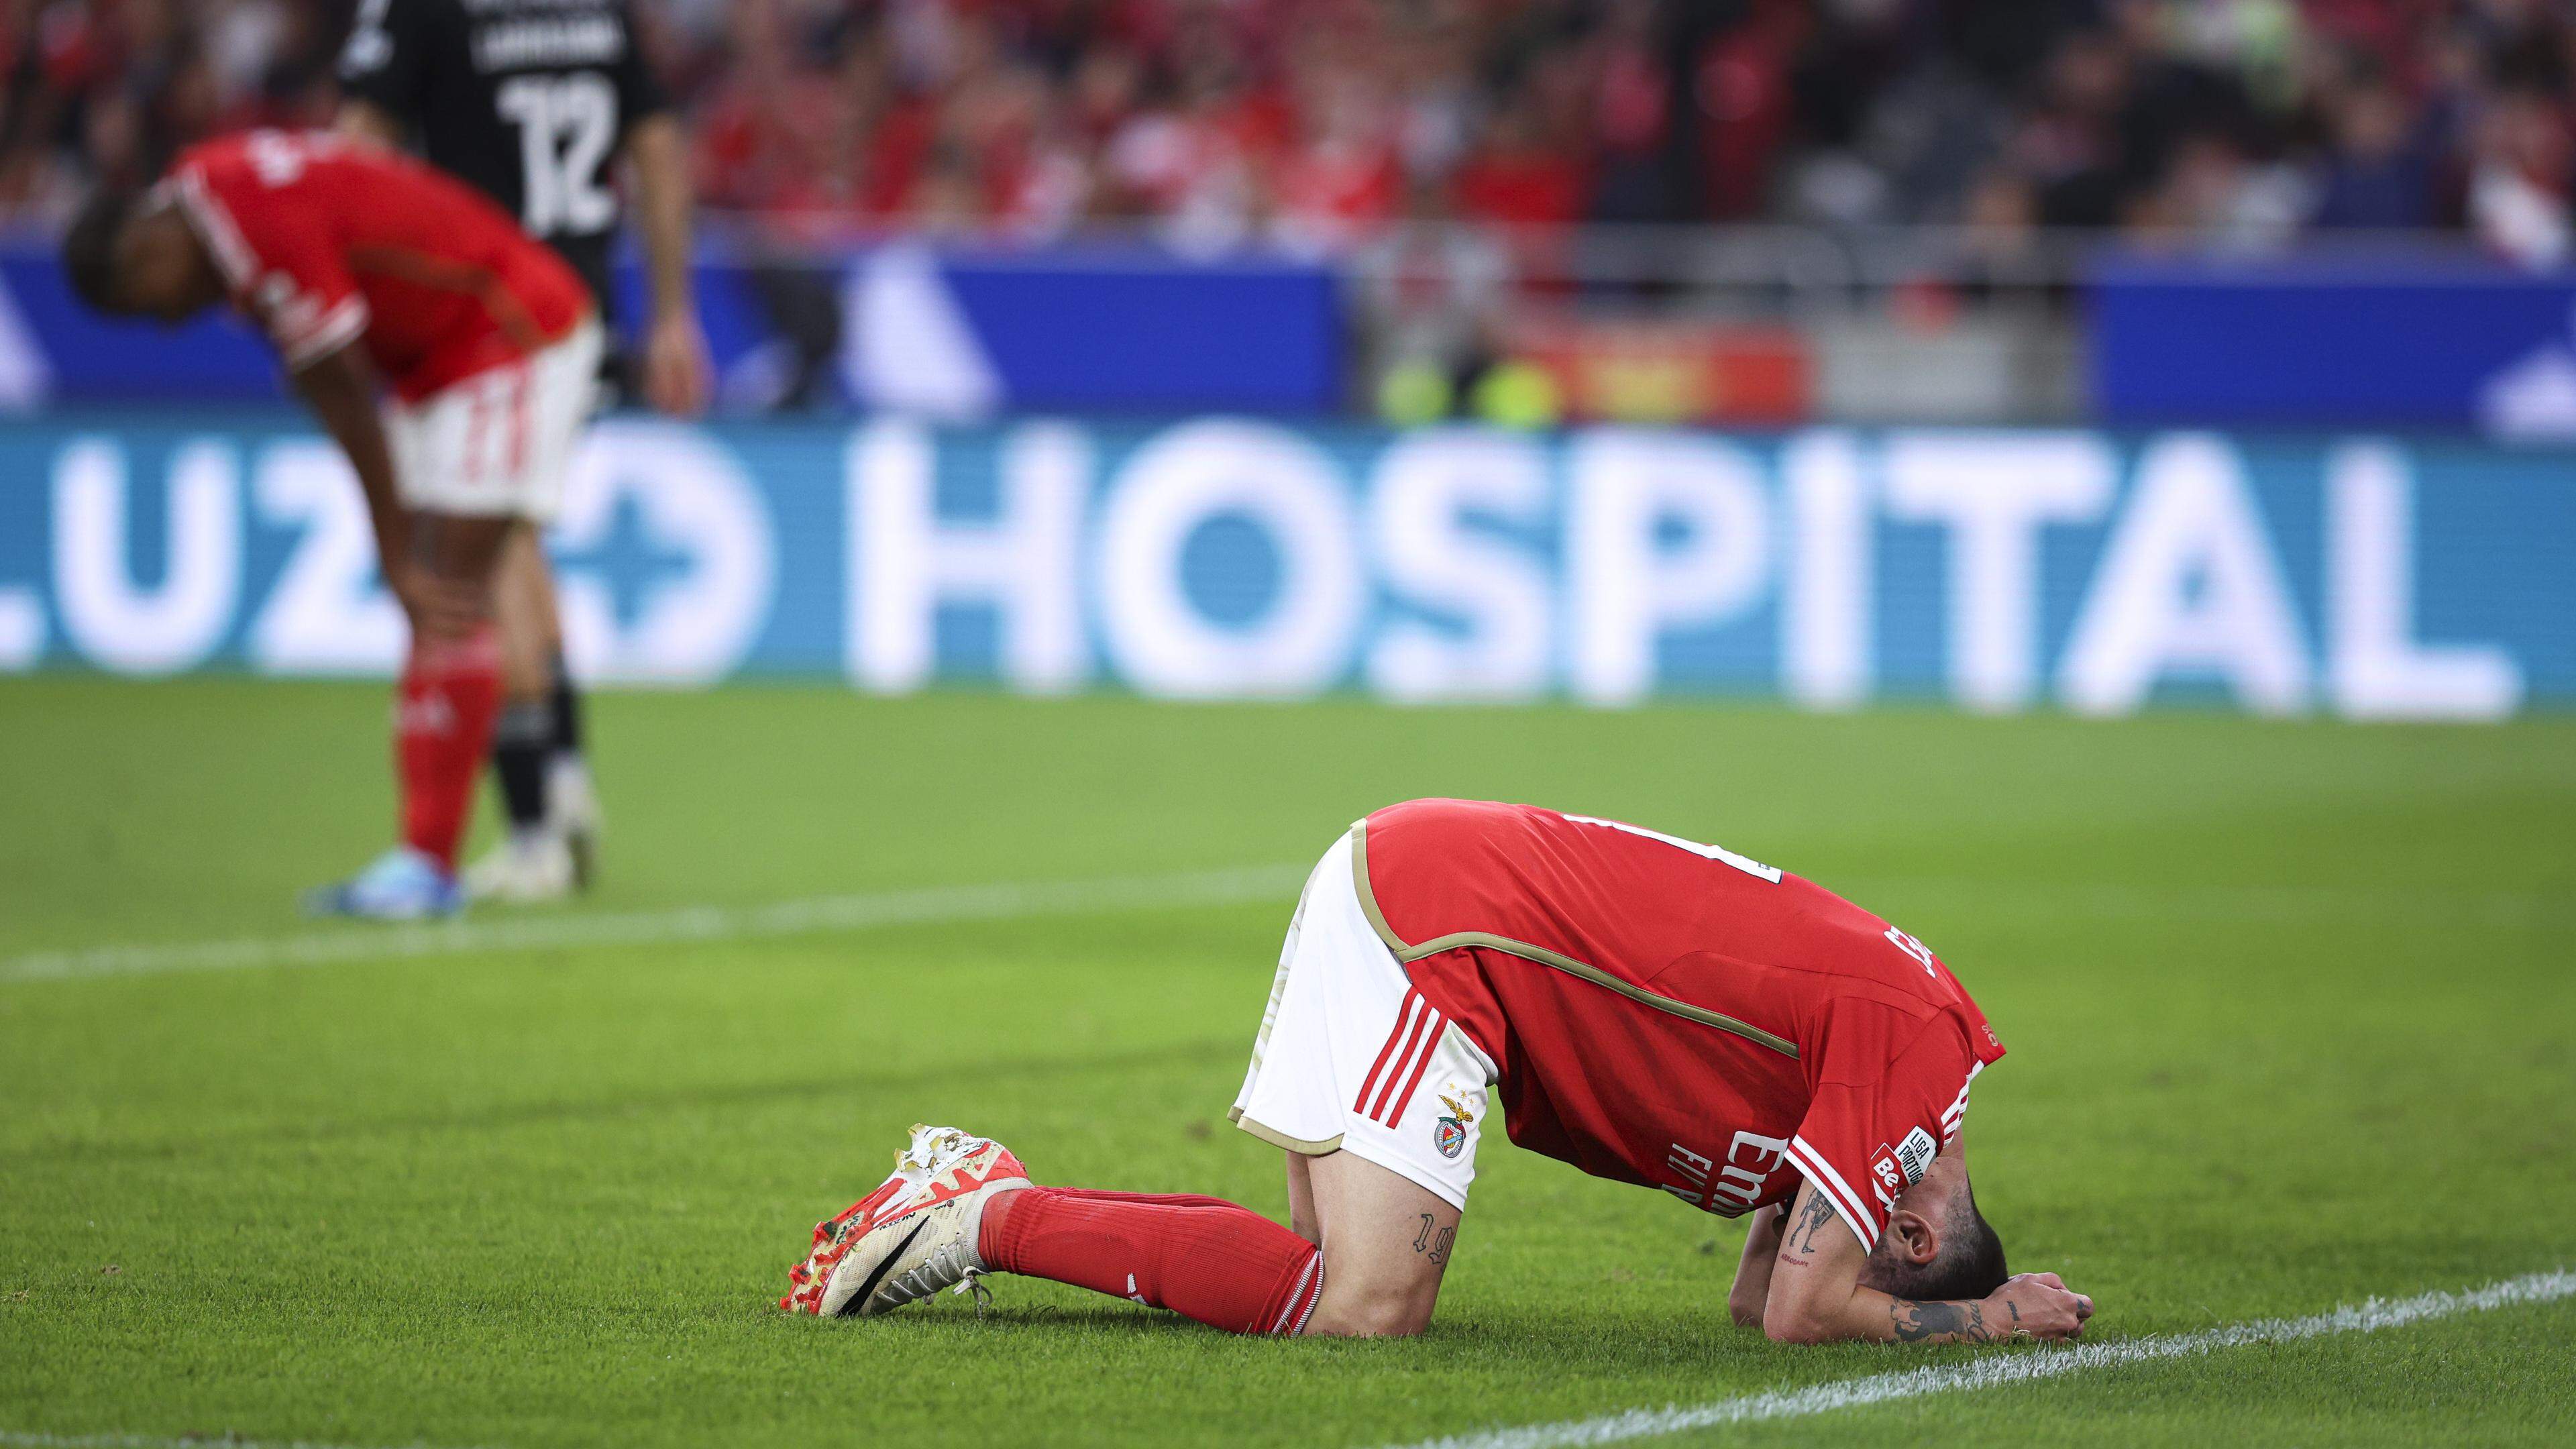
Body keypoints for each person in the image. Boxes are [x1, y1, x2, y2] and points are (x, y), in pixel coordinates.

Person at [783, 798, 2096, 1344]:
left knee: (1307, 1283)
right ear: (1911, 1220)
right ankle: (976, 1218)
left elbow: (1769, 1293)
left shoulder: (1882, 1078)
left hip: (1437, 913)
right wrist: (1973, 1322)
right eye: (1886, 1247)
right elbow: (1806, 1309)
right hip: (1443, 934)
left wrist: (1863, 1284)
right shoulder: (1916, 1056)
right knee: (1367, 1307)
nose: (1847, 1240)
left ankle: (986, 1189)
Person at [60, 129, 598, 918]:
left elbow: (342, 389)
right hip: (442, 356)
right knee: (464, 588)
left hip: (503, 334)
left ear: (148, 249)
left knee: (443, 589)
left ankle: (445, 859)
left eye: (147, 306)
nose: (169, 325)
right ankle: (517, 824)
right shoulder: (210, 189)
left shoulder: (250, 227)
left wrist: (390, 553)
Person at [335, 0, 712, 902]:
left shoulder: (422, 12)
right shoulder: (596, 13)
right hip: (580, 306)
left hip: (484, 312)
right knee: (514, 546)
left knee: (485, 550)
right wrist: (671, 312)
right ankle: (563, 785)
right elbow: (658, 149)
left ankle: (537, 827)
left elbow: (358, 151)